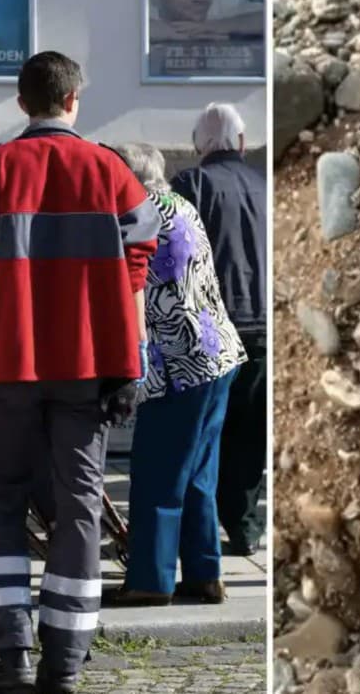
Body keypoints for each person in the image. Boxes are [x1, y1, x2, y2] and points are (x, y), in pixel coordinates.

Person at [0, 51, 159, 694]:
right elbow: (138, 266)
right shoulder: (114, 172)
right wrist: (132, 352)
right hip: (90, 368)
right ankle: (66, 660)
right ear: (74, 100)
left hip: (9, 363)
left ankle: (11, 652)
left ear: (23, 102)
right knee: (81, 503)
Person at [103, 143, 247, 607]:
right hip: (216, 352)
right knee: (198, 474)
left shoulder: (142, 216)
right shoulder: (178, 203)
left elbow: (132, 289)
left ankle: (150, 580)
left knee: (158, 473)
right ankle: (204, 574)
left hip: (179, 363)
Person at [170, 103, 267, 556]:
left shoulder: (191, 185)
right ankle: (245, 528)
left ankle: (201, 538)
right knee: (250, 433)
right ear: (243, 142)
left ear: (197, 146)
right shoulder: (266, 184)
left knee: (205, 436)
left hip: (213, 327)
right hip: (264, 324)